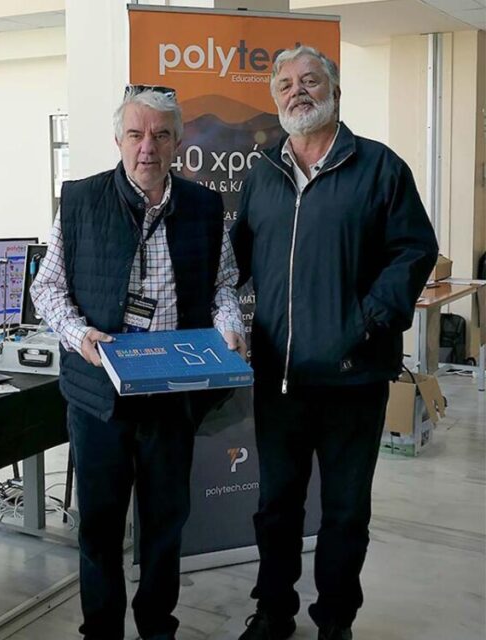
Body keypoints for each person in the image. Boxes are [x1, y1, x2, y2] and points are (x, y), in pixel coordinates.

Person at [230, 46, 438, 640]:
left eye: (311, 80)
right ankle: (274, 612)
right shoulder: (263, 174)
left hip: (354, 375)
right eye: (286, 84)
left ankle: (335, 621)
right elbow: (235, 262)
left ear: (335, 91)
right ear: (275, 98)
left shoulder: (379, 168)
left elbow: (414, 250)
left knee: (346, 512)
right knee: (276, 508)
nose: (298, 91)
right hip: (279, 376)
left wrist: (367, 321)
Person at [30, 85, 245, 640]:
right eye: (136, 133)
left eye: (160, 134)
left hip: (172, 394)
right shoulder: (79, 200)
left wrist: (230, 324)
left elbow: (223, 286)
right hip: (100, 395)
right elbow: (47, 287)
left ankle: (157, 628)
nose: (147, 146)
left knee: (165, 525)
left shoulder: (202, 206)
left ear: (178, 142)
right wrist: (80, 336)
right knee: (99, 528)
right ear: (118, 140)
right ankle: (101, 631)